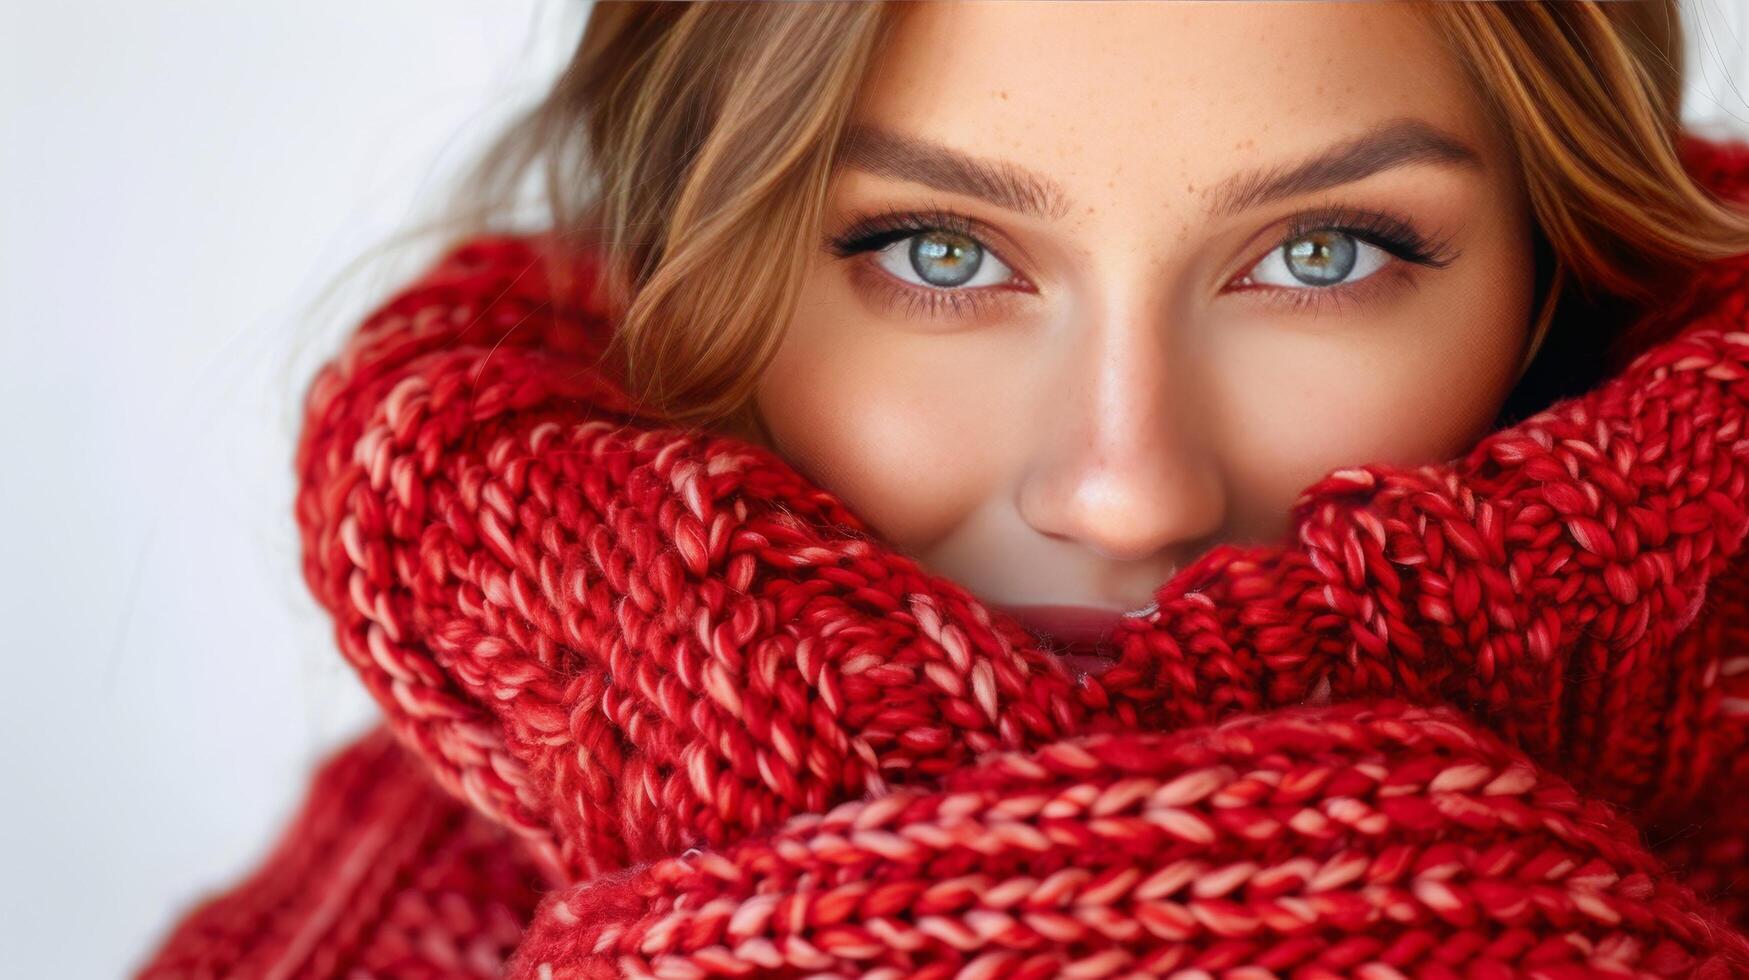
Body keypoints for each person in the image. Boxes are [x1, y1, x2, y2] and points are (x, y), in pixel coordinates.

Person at [136, 2, 1749, 977]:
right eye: (940, 252)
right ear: (702, 271)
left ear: (1559, 275)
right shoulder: (362, 932)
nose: (1123, 491)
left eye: (1318, 256)